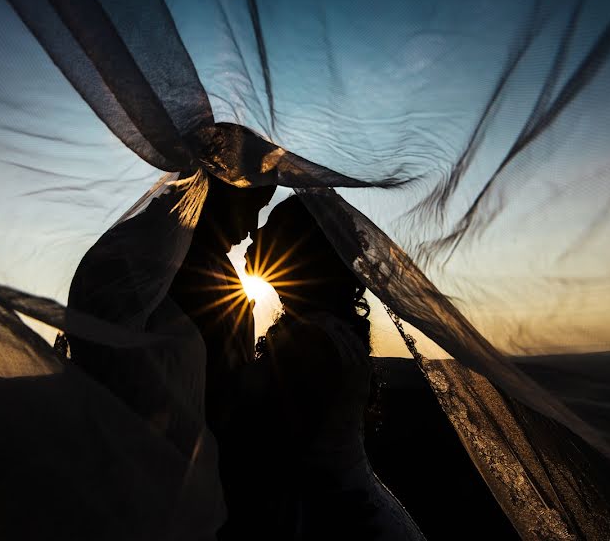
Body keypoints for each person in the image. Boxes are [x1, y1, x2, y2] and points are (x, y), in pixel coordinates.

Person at [241, 195, 427, 540]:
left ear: (296, 250)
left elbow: (275, 446)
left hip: (330, 519)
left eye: (271, 227)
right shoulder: (322, 327)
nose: (254, 232)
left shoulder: (310, 340)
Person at [167, 175, 276, 537]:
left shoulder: (180, 255)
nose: (251, 228)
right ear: (220, 195)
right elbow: (222, 393)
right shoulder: (194, 269)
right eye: (251, 209)